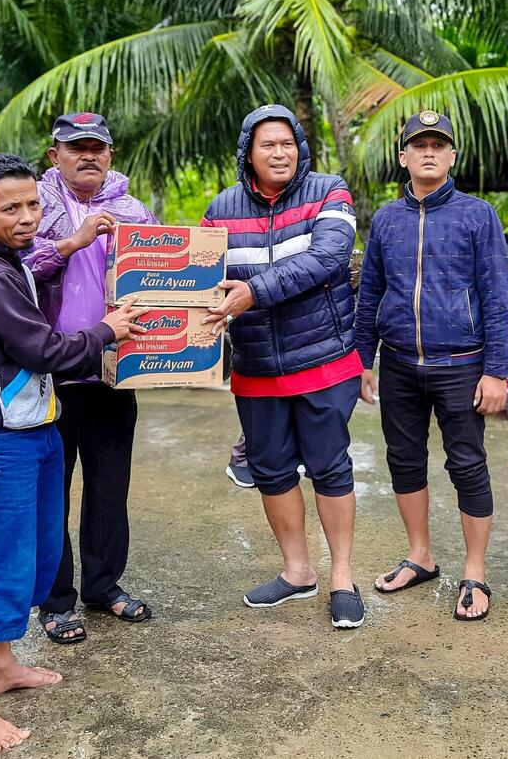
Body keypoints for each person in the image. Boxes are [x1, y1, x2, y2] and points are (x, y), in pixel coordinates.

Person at [0, 153, 145, 752]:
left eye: (33, 203)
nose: (27, 217)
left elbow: (42, 265)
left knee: (31, 555)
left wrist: (75, 243)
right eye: (11, 209)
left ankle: (0, 666)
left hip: (35, 427)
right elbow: (42, 348)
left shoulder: (9, 259)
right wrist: (108, 330)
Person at [201, 104, 365, 629]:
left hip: (324, 358)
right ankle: (298, 572)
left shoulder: (329, 190)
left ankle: (341, 576)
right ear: (248, 152)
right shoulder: (220, 209)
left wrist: (252, 292)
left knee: (329, 467)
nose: (280, 153)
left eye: (288, 143)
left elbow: (328, 259)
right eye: (268, 144)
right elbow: (196, 274)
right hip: (254, 365)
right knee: (271, 471)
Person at [354, 111, 508, 622]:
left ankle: (475, 571)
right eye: (417, 145)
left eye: (438, 145)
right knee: (404, 460)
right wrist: (363, 360)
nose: (428, 152)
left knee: (467, 463)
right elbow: (371, 291)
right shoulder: (386, 219)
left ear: (451, 157)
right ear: (403, 156)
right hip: (399, 363)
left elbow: (496, 294)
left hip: (461, 365)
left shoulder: (477, 215)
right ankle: (420, 555)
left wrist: (496, 370)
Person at [24, 113, 158, 645]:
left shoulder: (133, 210)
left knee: (109, 486)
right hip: (51, 370)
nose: (88, 156)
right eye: (74, 147)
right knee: (50, 490)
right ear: (54, 154)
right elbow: (13, 269)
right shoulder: (32, 204)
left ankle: (104, 586)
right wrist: (71, 242)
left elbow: (162, 278)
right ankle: (56, 601)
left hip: (113, 372)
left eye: (96, 148)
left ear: (110, 154)